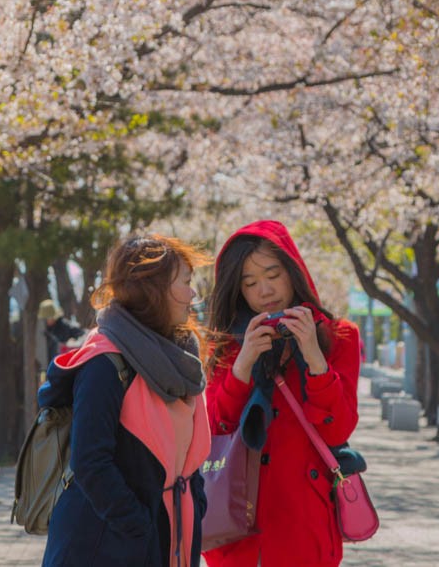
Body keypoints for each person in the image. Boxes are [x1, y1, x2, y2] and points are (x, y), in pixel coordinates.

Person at [38, 235, 212, 567]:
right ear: (153, 288)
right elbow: (90, 461)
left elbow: (189, 459)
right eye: (186, 282)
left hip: (168, 538)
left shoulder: (181, 358)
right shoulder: (104, 361)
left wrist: (195, 503)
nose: (193, 294)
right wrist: (137, 527)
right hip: (105, 546)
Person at [202, 220, 362, 567]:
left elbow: (339, 429)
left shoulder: (339, 337)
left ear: (293, 269)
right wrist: (242, 367)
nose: (264, 290)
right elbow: (213, 430)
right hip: (236, 530)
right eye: (250, 283)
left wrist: (314, 358)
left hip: (303, 525)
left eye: (273, 274)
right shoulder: (225, 345)